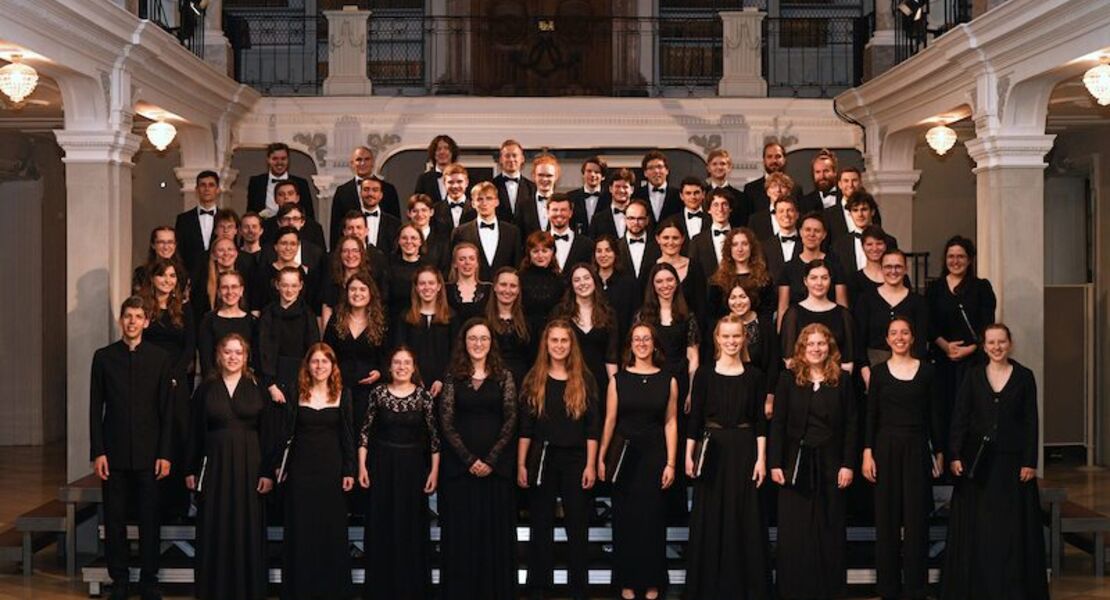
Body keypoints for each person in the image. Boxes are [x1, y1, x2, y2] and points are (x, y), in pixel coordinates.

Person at [942, 324, 1048, 600]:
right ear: (984, 345)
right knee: (981, 529)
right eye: (991, 342)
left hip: (1013, 466)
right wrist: (954, 454)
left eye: (1001, 342)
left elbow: (1030, 422)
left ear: (1010, 344)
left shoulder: (1025, 376)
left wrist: (1030, 461)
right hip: (978, 466)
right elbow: (960, 418)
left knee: (1011, 530)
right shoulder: (973, 375)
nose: (997, 347)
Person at [90, 296, 173, 600]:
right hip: (113, 454)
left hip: (150, 455)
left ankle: (149, 581)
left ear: (146, 322)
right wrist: (98, 451)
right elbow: (94, 408)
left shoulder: (160, 359)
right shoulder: (103, 357)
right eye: (128, 316)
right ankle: (120, 581)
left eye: (138, 316)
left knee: (150, 521)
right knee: (114, 522)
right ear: (121, 320)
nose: (133, 321)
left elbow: (166, 412)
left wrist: (165, 454)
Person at [185, 333, 279, 600]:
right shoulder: (205, 389)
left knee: (247, 526)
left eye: (238, 352)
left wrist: (267, 472)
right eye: (228, 352)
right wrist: (190, 469)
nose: (233, 357)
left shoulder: (257, 386)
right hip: (215, 466)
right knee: (215, 524)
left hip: (251, 467)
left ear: (246, 356)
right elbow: (194, 432)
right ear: (219, 355)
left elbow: (269, 432)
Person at [684, 315, 771, 600]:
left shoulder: (755, 375)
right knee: (710, 517)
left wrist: (761, 459)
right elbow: (694, 420)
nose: (732, 341)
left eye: (737, 336)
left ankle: (746, 588)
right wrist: (688, 456)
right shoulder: (705, 375)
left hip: (746, 450)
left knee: (745, 518)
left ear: (744, 338)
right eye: (726, 336)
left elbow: (760, 422)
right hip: (712, 451)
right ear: (717, 339)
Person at [768, 323, 857, 600]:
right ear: (802, 349)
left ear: (829, 347)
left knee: (830, 529)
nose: (816, 349)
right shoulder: (788, 378)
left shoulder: (842, 380)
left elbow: (853, 423)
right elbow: (779, 423)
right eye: (811, 344)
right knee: (795, 531)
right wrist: (775, 463)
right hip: (795, 463)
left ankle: (829, 591)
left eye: (821, 344)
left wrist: (848, 464)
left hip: (832, 463)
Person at [861, 318, 944, 600]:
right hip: (884, 448)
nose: (899, 337)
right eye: (894, 333)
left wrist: (940, 452)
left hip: (918, 447)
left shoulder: (928, 372)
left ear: (912, 338)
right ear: (887, 339)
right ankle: (888, 587)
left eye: (905, 332)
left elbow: (936, 415)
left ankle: (916, 587)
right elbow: (870, 415)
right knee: (886, 520)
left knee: (917, 519)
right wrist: (867, 452)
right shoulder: (879, 373)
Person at [517, 320, 600, 600]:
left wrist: (591, 464)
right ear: (546, 344)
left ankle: (579, 590)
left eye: (564, 340)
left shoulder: (585, 379)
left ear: (571, 345)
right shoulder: (534, 378)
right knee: (541, 524)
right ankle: (539, 588)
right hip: (542, 457)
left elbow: (592, 428)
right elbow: (526, 428)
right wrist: (521, 464)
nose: (559, 345)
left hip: (576, 459)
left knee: (577, 526)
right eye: (554, 340)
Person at [437, 318, 519, 600]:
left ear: (491, 343)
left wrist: (491, 459)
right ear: (464, 342)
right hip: (460, 471)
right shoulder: (452, 376)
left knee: (493, 539)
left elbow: (511, 419)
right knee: (462, 538)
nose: (478, 344)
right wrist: (469, 460)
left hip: (496, 471)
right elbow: (446, 422)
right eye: (472, 338)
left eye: (484, 338)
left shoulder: (504, 376)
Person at [599, 322, 677, 600]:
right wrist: (601, 457)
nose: (641, 343)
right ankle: (627, 582)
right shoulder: (618, 380)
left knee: (653, 521)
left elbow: (670, 422)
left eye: (646, 339)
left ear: (654, 344)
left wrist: (670, 462)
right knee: (625, 521)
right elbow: (609, 420)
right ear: (630, 345)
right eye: (636, 339)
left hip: (654, 456)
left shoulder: (668, 380)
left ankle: (654, 582)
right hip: (623, 457)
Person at [359, 347, 440, 600]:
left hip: (413, 468)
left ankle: (411, 589)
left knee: (411, 527)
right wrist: (362, 466)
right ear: (390, 366)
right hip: (382, 466)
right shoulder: (378, 393)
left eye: (407, 362)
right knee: (382, 525)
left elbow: (434, 439)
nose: (402, 367)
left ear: (414, 367)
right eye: (397, 362)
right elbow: (365, 432)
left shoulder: (424, 397)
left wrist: (434, 472)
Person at [281, 343, 356, 600]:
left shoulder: (343, 394)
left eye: (325, 361)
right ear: (307, 365)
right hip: (300, 471)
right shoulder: (295, 391)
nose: (320, 366)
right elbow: (286, 433)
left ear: (333, 366)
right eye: (315, 361)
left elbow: (348, 436)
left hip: (332, 471)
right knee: (302, 530)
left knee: (331, 531)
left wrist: (350, 469)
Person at [638, 262, 700, 522]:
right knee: (654, 442)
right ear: (653, 285)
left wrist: (690, 391)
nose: (665, 285)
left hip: (681, 382)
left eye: (669, 280)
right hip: (652, 382)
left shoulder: (688, 316)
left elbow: (693, 356)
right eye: (659, 281)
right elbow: (636, 351)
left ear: (677, 283)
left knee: (676, 441)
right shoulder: (643, 315)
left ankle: (675, 513)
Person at [925, 236, 996, 451]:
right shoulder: (935, 288)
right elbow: (928, 324)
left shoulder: (981, 287)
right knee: (943, 410)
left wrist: (970, 349)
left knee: (971, 411)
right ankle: (945, 462)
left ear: (970, 259)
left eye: (961, 256)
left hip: (972, 360)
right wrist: (945, 345)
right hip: (942, 359)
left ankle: (967, 463)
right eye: (951, 256)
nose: (955, 261)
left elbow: (987, 324)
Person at [138, 258, 195, 520]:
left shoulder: (184, 308)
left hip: (176, 379)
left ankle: (178, 504)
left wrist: (174, 374)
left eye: (172, 276)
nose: (167, 281)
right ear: (153, 279)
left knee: (179, 435)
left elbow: (189, 347)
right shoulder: (143, 308)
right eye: (162, 276)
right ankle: (152, 501)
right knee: (152, 435)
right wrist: (157, 376)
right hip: (149, 379)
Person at [855, 250, 930, 387]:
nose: (893, 271)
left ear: (906, 269)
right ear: (881, 268)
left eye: (898, 266)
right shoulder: (866, 300)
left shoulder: (918, 302)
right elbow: (859, 340)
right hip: (873, 366)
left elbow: (920, 342)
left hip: (909, 369)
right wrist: (864, 369)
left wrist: (914, 371)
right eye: (888, 266)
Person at [323, 271, 386, 428]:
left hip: (370, 391)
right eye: (353, 289)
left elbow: (388, 354)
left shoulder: (381, 321)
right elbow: (326, 352)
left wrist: (380, 372)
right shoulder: (336, 318)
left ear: (371, 293)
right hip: (340, 388)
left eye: (362, 289)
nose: (357, 293)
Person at [554, 264, 620, 413]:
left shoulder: (608, 314)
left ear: (594, 281)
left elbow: (611, 356)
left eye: (586, 278)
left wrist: (614, 386)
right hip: (567, 377)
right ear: (571, 285)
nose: (582, 283)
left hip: (599, 381)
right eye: (577, 280)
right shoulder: (560, 312)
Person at [257, 267, 321, 405]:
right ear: (277, 285)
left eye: (294, 286)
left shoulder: (307, 315)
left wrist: (308, 383)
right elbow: (262, 351)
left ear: (301, 286)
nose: (289, 290)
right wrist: (271, 386)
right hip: (272, 381)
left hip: (301, 380)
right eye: (285, 285)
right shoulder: (267, 314)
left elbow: (313, 350)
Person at [779, 260, 856, 374]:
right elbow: (789, 359)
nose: (819, 283)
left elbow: (848, 361)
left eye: (824, 278)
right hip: (801, 381)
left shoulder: (843, 314)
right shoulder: (793, 313)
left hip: (836, 381)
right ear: (805, 281)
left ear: (830, 280)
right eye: (814, 278)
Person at [392, 265, 455, 397]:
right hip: (410, 384)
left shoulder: (451, 317)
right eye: (422, 283)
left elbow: (455, 352)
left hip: (443, 385)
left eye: (431, 283)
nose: (427, 287)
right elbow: (400, 351)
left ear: (439, 286)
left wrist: (442, 379)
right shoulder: (405, 317)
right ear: (416, 287)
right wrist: (413, 378)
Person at [721, 281, 780, 417]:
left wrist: (770, 399)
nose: (738, 302)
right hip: (729, 392)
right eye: (733, 297)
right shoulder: (721, 325)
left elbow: (773, 364)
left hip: (759, 393)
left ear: (751, 298)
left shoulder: (765, 325)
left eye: (742, 296)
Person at [777, 212, 849, 320]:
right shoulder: (789, 268)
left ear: (824, 235)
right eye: (807, 230)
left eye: (817, 231)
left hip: (830, 323)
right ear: (800, 232)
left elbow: (842, 305)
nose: (812, 234)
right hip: (797, 325)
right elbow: (783, 308)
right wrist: (781, 335)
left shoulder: (835, 266)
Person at [451, 181, 522, 281]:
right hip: (472, 290)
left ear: (497, 202)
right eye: (480, 199)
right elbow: (454, 266)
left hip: (505, 290)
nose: (484, 203)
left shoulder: (512, 232)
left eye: (489, 198)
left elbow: (517, 265)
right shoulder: (460, 232)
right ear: (473, 203)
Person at [705, 227, 775, 327]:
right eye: (735, 245)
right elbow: (712, 315)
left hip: (759, 334)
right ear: (729, 249)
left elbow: (768, 313)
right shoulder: (717, 281)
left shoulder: (765, 279)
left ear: (752, 248)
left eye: (745, 244)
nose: (740, 249)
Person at [331, 146, 402, 243]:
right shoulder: (342, 191)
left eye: (367, 159)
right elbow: (336, 228)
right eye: (358, 159)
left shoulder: (388, 190)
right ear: (352, 163)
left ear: (373, 162)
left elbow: (395, 224)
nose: (363, 163)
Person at [198, 271, 257, 377]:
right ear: (219, 292)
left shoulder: (252, 322)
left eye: (234, 287)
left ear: (241, 290)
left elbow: (255, 359)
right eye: (225, 287)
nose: (230, 292)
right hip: (215, 382)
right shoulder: (208, 321)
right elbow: (206, 360)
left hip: (245, 382)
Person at [485, 267, 535, 388]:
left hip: (521, 381)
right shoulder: (482, 319)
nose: (507, 290)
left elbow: (533, 358)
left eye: (513, 286)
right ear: (495, 287)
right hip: (490, 380)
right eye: (503, 285)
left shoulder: (529, 321)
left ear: (518, 290)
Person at [247, 142, 315, 221]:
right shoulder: (256, 182)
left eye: (283, 158)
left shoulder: (301, 183)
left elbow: (309, 214)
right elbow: (251, 213)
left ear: (288, 160)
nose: (279, 162)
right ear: (268, 160)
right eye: (275, 159)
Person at [686, 188, 733, 303]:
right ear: (709, 210)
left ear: (730, 208)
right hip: (707, 302)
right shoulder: (697, 241)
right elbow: (693, 276)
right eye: (715, 205)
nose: (720, 209)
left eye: (724, 204)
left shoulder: (741, 236)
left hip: (737, 300)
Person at [175, 170, 222, 276]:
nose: (207, 189)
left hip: (220, 276)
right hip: (191, 276)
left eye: (211, 185)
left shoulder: (226, 219)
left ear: (217, 190)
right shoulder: (183, 219)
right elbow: (179, 251)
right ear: (196, 190)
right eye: (203, 185)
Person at [593, 234, 639, 340]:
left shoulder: (629, 283)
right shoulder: (589, 281)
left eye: (608, 250)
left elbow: (634, 315)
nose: (603, 255)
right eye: (599, 251)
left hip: (623, 341)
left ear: (616, 253)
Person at [388, 223, 433, 320]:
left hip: (422, 322)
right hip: (395, 320)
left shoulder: (429, 268)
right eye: (404, 238)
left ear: (420, 241)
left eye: (413, 238)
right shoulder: (389, 267)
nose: (409, 241)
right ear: (399, 241)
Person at [519, 231, 566, 323]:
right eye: (535, 251)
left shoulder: (560, 280)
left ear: (552, 252)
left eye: (544, 251)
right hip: (525, 331)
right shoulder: (520, 278)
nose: (540, 255)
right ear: (529, 253)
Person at [743, 141, 798, 213]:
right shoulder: (750, 189)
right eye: (769, 157)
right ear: (764, 161)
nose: (774, 160)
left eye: (778, 156)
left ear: (784, 160)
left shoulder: (796, 189)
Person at [352, 176, 403, 253]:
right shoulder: (351, 222)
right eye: (366, 189)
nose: (370, 193)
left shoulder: (395, 224)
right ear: (360, 193)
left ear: (381, 195)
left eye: (375, 190)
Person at [618, 200, 662, 288]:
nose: (636, 223)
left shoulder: (658, 246)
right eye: (631, 218)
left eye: (640, 218)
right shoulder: (615, 247)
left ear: (647, 220)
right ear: (625, 219)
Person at [704, 148, 752, 228]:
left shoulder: (741, 197)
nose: (719, 167)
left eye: (722, 164)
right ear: (708, 168)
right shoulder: (702, 194)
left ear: (729, 168)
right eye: (714, 164)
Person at [132, 226, 187, 294]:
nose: (166, 247)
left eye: (170, 242)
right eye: (161, 242)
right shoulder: (141, 273)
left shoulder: (182, 273)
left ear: (175, 245)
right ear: (153, 245)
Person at [446, 242, 493, 322]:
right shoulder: (445, 289)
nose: (467, 262)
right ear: (455, 264)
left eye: (471, 258)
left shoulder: (489, 289)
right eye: (462, 259)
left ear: (477, 263)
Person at [548, 193, 595, 272]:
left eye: (563, 210)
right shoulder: (539, 242)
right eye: (555, 210)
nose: (559, 213)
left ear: (570, 213)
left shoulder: (586, 244)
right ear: (547, 212)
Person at [631, 149, 682, 223]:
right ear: (645, 173)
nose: (656, 171)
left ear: (667, 170)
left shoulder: (678, 195)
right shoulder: (636, 195)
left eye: (659, 167)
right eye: (651, 168)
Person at [517, 153, 561, 237]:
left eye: (549, 176)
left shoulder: (564, 205)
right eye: (541, 175)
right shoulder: (523, 206)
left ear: (556, 177)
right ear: (534, 176)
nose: (544, 179)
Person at [492, 139, 535, 223]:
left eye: (515, 155)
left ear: (522, 159)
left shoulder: (533, 188)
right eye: (507, 156)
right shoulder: (491, 186)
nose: (511, 159)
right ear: (500, 159)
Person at [432, 163, 477, 236]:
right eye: (450, 182)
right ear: (444, 183)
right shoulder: (435, 209)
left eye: (459, 182)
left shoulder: (476, 209)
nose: (455, 186)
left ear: (467, 183)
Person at [589, 168, 635, 240]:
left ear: (632, 190)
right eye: (617, 186)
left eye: (625, 187)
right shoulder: (597, 220)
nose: (621, 190)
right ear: (610, 189)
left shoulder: (642, 217)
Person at [665, 177, 708, 253]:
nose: (693, 197)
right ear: (681, 196)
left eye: (696, 193)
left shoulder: (712, 219)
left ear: (703, 194)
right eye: (688, 193)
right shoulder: (672, 221)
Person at [414, 134, 460, 205]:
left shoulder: (462, 178)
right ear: (434, 154)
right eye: (438, 149)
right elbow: (417, 205)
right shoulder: (424, 179)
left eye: (446, 148)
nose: (442, 152)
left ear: (452, 152)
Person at [568, 155, 610, 231]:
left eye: (597, 172)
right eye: (589, 171)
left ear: (603, 177)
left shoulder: (610, 198)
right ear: (583, 174)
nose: (592, 175)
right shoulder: (570, 197)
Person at [797, 149, 841, 214]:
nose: (822, 176)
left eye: (826, 171)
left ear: (835, 172)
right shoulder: (805, 202)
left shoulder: (846, 197)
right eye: (818, 172)